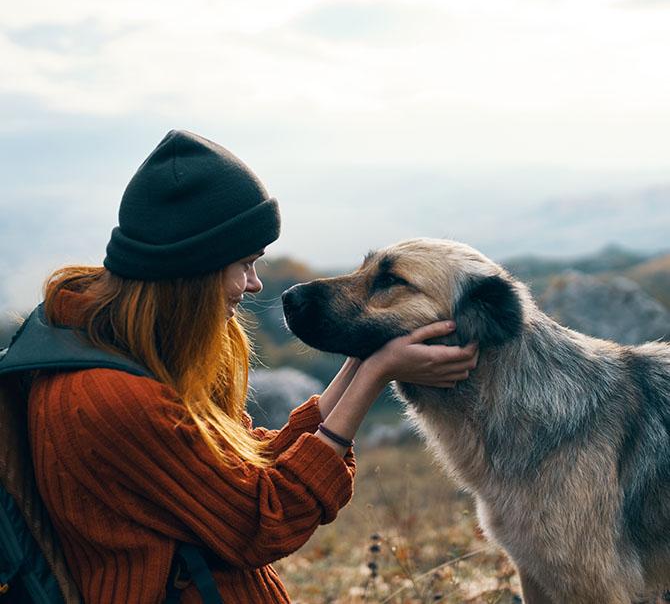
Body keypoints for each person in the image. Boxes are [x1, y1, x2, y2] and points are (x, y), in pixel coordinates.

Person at [27, 129, 479, 603]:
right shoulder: (110, 399)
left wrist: (364, 354)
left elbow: (243, 464)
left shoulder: (126, 356)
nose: (256, 283)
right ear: (193, 267)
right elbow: (264, 520)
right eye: (244, 263)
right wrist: (373, 375)